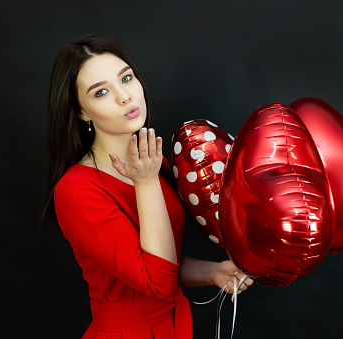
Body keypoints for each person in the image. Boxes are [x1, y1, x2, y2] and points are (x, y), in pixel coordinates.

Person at [42, 35, 253, 338]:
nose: (124, 96)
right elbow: (158, 281)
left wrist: (212, 272)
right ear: (81, 111)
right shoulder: (76, 189)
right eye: (101, 92)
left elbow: (159, 259)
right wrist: (146, 182)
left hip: (176, 326)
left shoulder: (152, 165)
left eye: (126, 78)